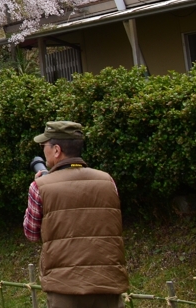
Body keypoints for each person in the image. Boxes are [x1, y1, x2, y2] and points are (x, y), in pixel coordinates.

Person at [24, 121, 128, 308]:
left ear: (56, 150)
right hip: (107, 283)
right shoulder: (107, 181)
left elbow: (31, 233)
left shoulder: (39, 187)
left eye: (44, 146)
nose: (43, 151)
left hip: (64, 288)